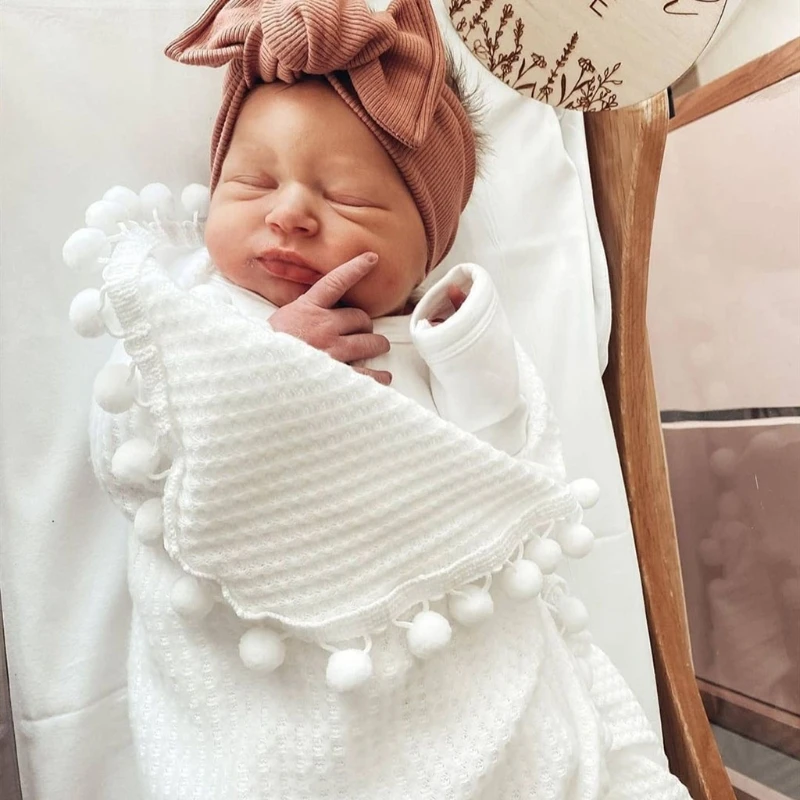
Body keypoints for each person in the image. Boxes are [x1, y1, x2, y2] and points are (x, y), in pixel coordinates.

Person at [71, 0, 693, 796]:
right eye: (252, 182)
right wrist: (265, 370)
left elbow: (508, 462)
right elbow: (129, 454)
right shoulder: (194, 322)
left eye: (351, 200)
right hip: (265, 684)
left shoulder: (428, 339)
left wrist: (465, 346)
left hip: (439, 666)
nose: (289, 214)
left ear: (429, 246)